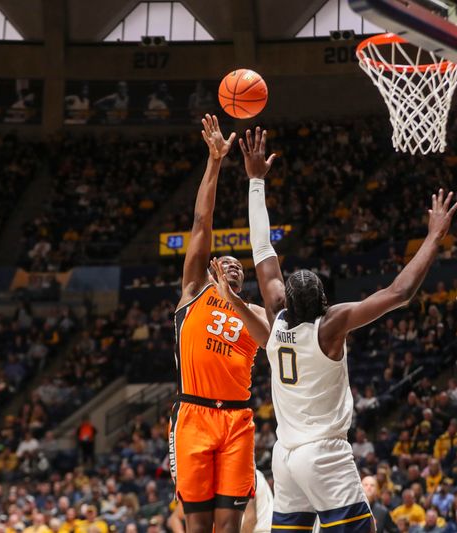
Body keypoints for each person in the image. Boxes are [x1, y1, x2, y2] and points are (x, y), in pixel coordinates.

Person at [213, 126, 457, 533]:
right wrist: (433, 238)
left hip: (285, 457)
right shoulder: (329, 329)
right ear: (325, 304)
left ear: (287, 301)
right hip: (323, 454)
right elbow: (399, 292)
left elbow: (262, 249)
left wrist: (255, 181)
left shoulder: (276, 320)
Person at [171, 115, 269, 533]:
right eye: (225, 262)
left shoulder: (255, 313)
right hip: (193, 414)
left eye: (238, 267)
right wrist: (214, 162)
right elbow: (201, 222)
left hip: (237, 420)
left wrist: (235, 302)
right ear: (211, 269)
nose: (232, 265)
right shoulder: (195, 290)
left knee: (230, 528)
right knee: (197, 527)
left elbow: (269, 338)